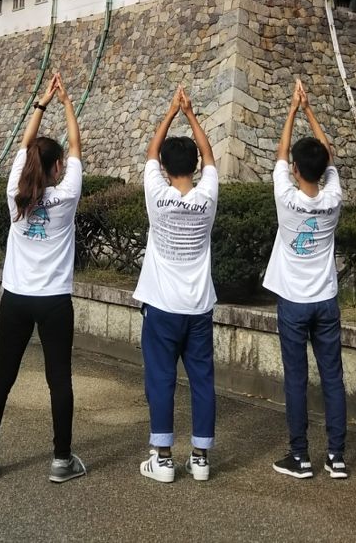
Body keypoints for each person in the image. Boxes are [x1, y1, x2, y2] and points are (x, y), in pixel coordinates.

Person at [0, 72, 85, 484]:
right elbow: (75, 147)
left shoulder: (15, 194)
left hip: (16, 298)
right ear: (57, 168)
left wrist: (41, 104)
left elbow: (24, 145)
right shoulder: (66, 194)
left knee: (2, 374)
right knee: (60, 379)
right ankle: (61, 460)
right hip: (54, 301)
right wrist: (68, 103)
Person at [263, 78, 348, 480]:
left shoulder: (287, 197)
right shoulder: (333, 198)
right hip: (326, 300)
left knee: (296, 379)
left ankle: (299, 456)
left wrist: (293, 110)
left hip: (293, 303)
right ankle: (337, 456)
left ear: (295, 170)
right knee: (333, 376)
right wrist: (311, 110)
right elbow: (327, 157)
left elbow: (281, 154)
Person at [133, 86, 218, 483]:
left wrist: (171, 112)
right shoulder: (208, 196)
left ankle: (163, 457)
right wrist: (192, 115)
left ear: (166, 169)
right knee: (202, 381)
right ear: (195, 167)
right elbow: (212, 157)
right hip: (199, 307)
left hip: (162, 307)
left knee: (161, 379)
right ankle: (200, 458)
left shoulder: (157, 195)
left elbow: (151, 152)